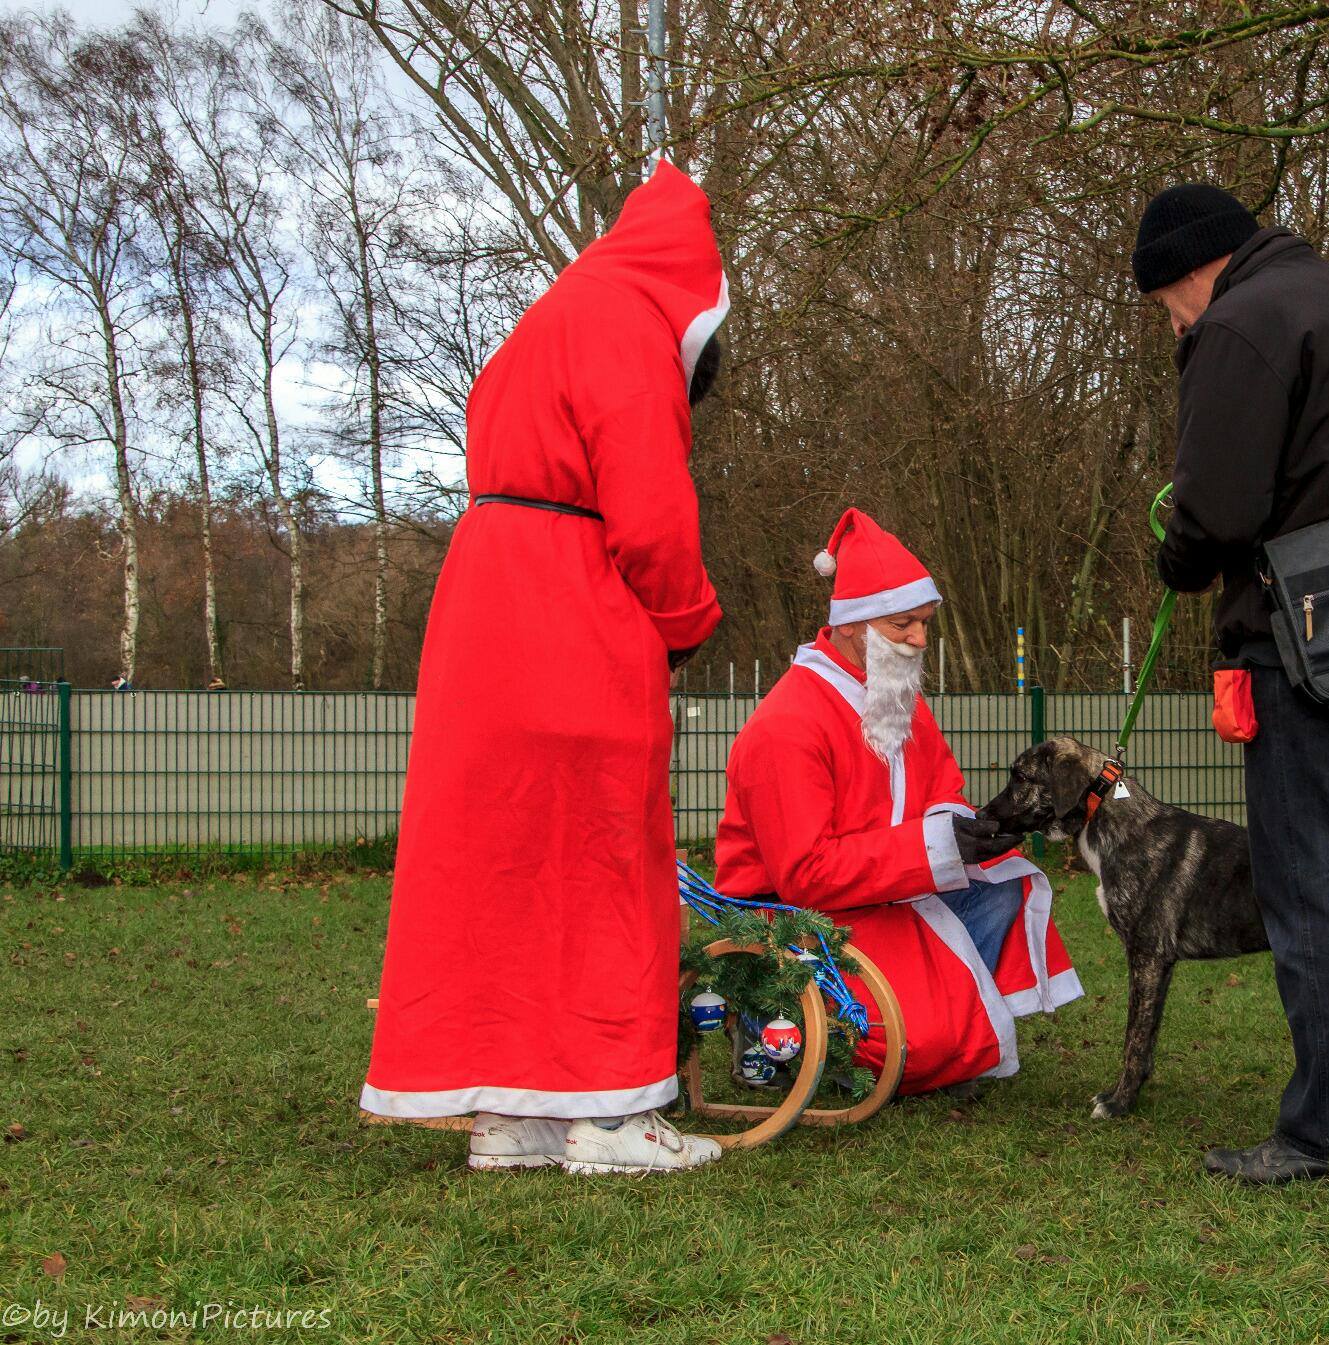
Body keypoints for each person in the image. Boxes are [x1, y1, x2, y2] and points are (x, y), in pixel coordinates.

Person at [362, 161, 730, 1176]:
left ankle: (511, 1114)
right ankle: (613, 1115)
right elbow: (651, 514)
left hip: (485, 609)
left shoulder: (544, 323)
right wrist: (684, 621)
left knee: (504, 865)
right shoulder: (627, 327)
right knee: (605, 858)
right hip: (574, 611)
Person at [1133, 183, 1329, 1183]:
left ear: (1190, 268)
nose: (1174, 323)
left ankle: (1325, 1134)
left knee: (1311, 885)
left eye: (1165, 302)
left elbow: (1215, 506)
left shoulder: (1240, 325)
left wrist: (1177, 559)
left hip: (1299, 640)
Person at [714, 508, 1083, 1096]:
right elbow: (805, 874)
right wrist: (932, 848)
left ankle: (947, 1014)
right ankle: (776, 1025)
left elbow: (942, 793)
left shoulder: (897, 699)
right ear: (852, 624)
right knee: (917, 1041)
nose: (919, 639)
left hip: (881, 893)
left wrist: (971, 832)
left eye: (925, 623)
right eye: (903, 624)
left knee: (1005, 883)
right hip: (796, 916)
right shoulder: (787, 725)